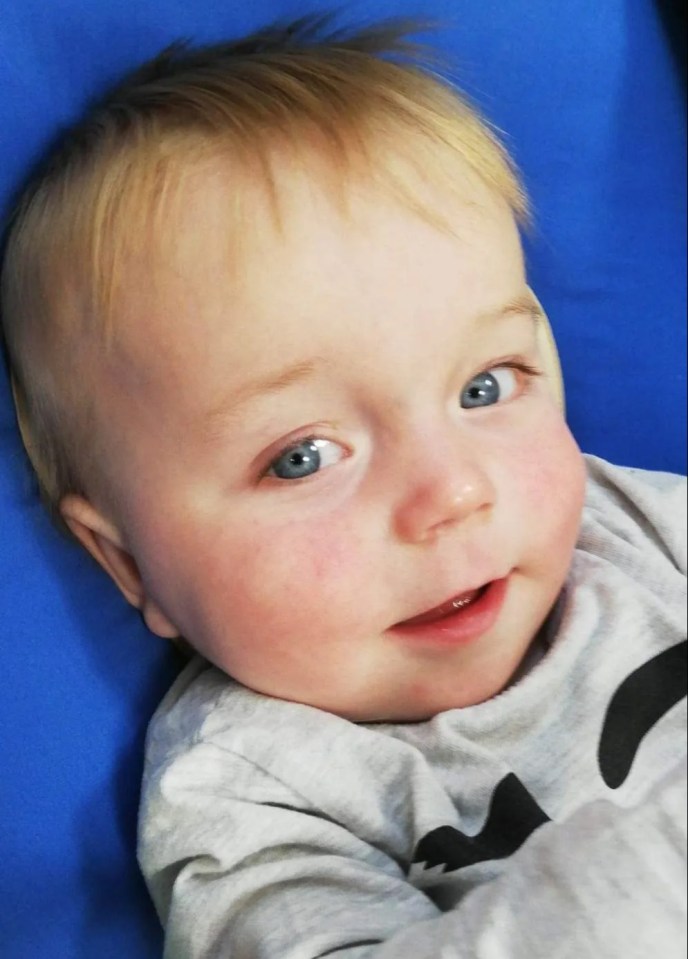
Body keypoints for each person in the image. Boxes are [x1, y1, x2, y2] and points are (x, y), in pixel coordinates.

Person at [1, 15, 685, 959]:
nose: (450, 494)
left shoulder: (640, 524)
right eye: (303, 456)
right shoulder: (255, 792)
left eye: (483, 387)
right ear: (129, 565)